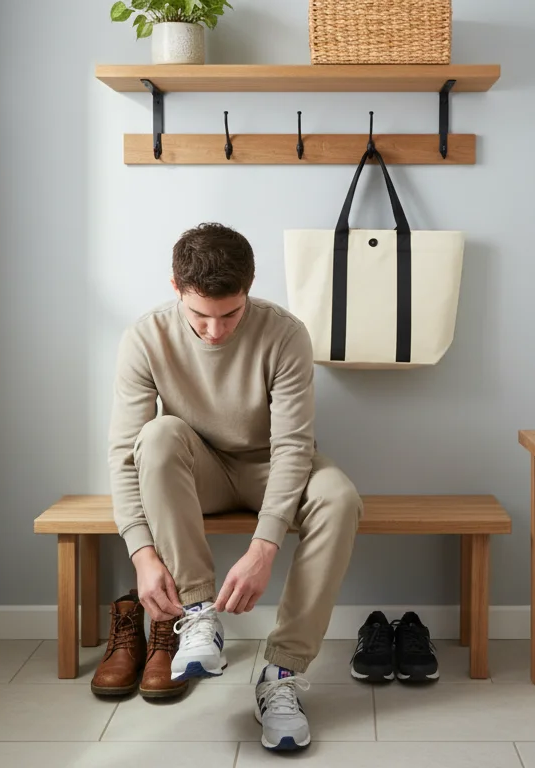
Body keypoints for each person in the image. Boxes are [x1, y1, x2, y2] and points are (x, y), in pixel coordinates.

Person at [92, 222, 363, 752]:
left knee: (340, 498)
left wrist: (264, 548)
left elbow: (292, 448)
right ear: (177, 288)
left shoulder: (284, 332)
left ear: (250, 287)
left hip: (272, 468)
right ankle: (198, 614)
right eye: (200, 316)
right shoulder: (145, 337)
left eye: (231, 315)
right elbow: (125, 456)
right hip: (201, 470)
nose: (216, 331)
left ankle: (280, 676)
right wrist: (143, 555)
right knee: (158, 436)